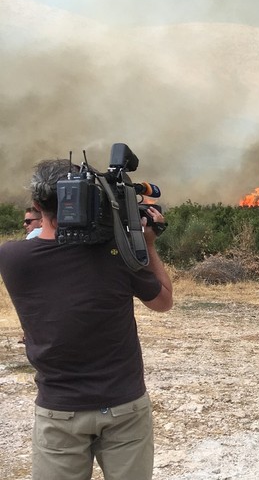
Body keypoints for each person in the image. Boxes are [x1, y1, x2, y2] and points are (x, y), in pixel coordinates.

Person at [0, 159, 174, 480]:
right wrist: (146, 242)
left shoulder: (12, 258)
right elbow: (163, 301)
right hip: (123, 404)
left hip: (59, 409)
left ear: (37, 204)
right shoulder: (116, 252)